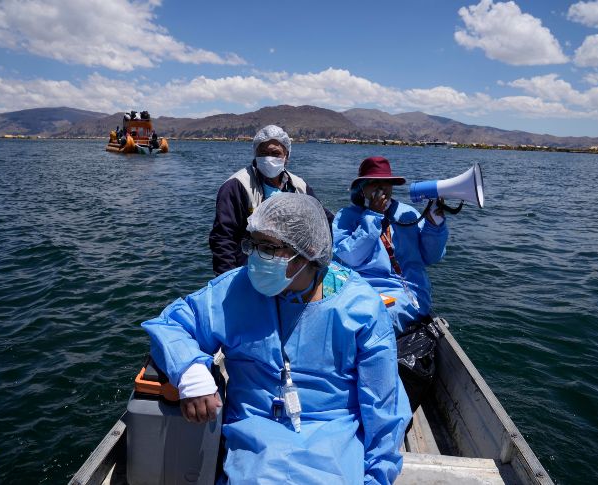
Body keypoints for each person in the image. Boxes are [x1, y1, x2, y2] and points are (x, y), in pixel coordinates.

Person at [142, 192, 411, 484]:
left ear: (307, 250)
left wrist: (376, 476)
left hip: (334, 435)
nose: (255, 257)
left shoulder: (361, 307)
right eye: (252, 244)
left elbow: (382, 405)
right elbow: (172, 324)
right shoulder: (235, 289)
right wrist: (190, 371)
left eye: (269, 248)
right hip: (255, 436)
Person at [332, 156, 449, 336]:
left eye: (386, 182)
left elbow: (431, 256)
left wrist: (434, 226)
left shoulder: (407, 214)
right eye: (374, 183)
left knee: (372, 319)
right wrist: (372, 216)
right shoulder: (346, 217)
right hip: (359, 288)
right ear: (361, 188)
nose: (382, 188)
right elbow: (351, 257)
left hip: (405, 292)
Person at [209, 124, 334, 276]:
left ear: (286, 156)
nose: (269, 158)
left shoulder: (299, 186)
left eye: (275, 153)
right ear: (255, 154)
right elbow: (223, 237)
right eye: (263, 153)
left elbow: (322, 220)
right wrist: (226, 278)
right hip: (250, 268)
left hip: (290, 268)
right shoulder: (236, 186)